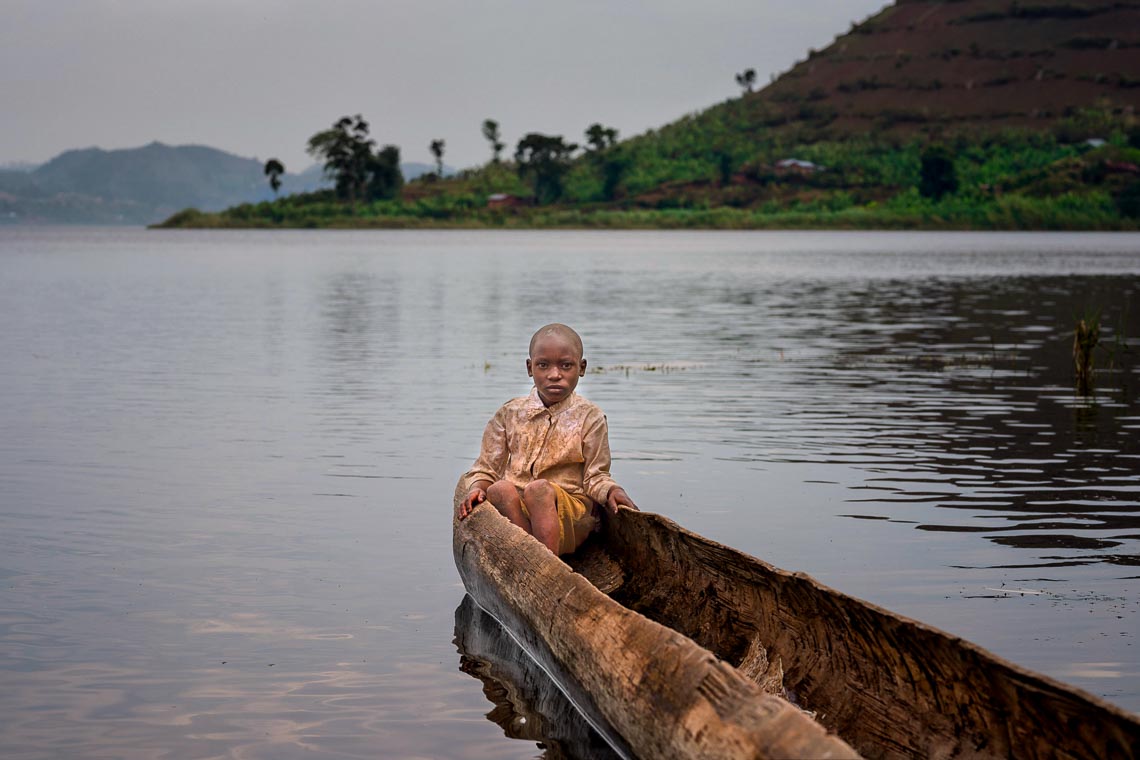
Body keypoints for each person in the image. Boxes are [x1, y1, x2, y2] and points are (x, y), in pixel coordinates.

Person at [457, 323, 638, 555]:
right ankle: (533, 556)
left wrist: (612, 491)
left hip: (570, 517)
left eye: (566, 366)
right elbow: (486, 467)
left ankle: (546, 564)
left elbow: (596, 476)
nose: (554, 375)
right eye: (543, 365)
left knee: (539, 490)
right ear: (530, 368)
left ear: (581, 368)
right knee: (500, 489)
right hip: (519, 516)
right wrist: (477, 487)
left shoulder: (590, 417)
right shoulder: (510, 414)